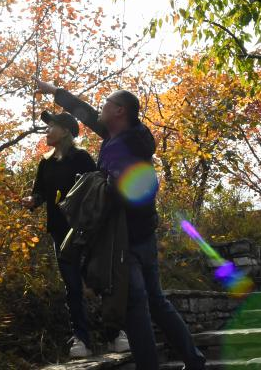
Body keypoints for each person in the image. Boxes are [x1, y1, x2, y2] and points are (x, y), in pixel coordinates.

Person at [35, 80, 206, 370]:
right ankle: (194, 360)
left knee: (136, 307)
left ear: (119, 111)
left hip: (126, 238)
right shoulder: (123, 135)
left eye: (106, 104)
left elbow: (130, 190)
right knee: (156, 301)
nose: (100, 107)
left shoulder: (122, 146)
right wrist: (55, 92)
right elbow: (86, 113)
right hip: (141, 234)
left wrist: (99, 192)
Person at [22, 110, 129, 358]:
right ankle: (82, 340)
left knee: (98, 280)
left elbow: (98, 187)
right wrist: (32, 200)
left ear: (66, 131)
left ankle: (114, 334)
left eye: (52, 127)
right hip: (59, 233)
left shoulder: (81, 158)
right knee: (73, 287)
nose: (47, 131)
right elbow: (40, 193)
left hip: (85, 230)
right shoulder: (45, 163)